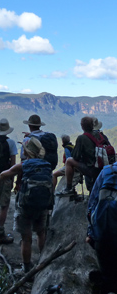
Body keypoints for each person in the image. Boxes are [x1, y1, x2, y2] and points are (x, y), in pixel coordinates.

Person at [0, 137, 52, 273]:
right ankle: (43, 263)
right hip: (42, 205)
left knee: (26, 238)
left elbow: (3, 175)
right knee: (41, 233)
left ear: (27, 151)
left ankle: (26, 269)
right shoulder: (47, 165)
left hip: (25, 206)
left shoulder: (24, 165)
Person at [86, 163, 117, 293]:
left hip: (102, 234)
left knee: (107, 276)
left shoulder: (106, 171)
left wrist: (90, 233)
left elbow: (92, 204)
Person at [58, 116, 102, 196]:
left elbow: (75, 156)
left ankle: (68, 188)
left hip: (92, 168)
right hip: (103, 167)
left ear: (82, 126)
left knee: (69, 161)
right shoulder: (100, 135)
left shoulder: (82, 138)